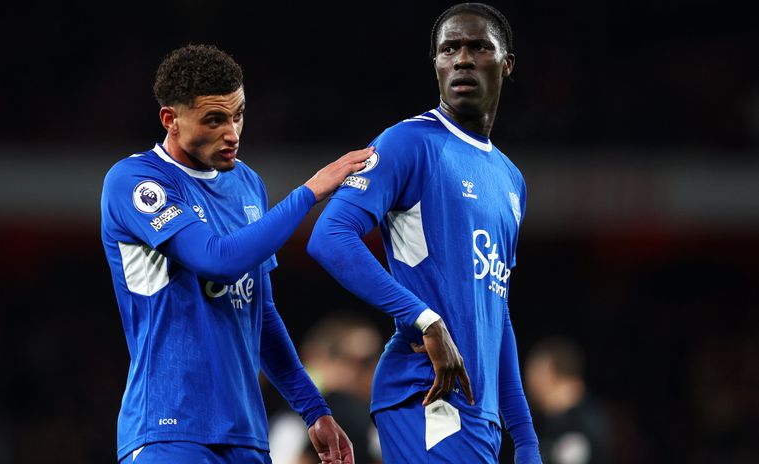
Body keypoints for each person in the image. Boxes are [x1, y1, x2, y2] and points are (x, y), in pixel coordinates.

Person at [100, 44, 372, 464]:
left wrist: (314, 410)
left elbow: (260, 313)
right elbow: (217, 260)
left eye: (238, 114)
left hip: (247, 437)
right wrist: (310, 192)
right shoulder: (136, 181)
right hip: (169, 433)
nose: (232, 133)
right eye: (214, 119)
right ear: (170, 119)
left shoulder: (248, 185)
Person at [307, 3, 541, 463]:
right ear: (435, 63)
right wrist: (424, 318)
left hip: (480, 414)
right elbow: (330, 236)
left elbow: (497, 313)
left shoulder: (511, 180)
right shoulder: (408, 142)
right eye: (449, 49)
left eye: (478, 48)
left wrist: (527, 440)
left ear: (506, 63)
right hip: (427, 394)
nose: (462, 59)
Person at [268, 314, 384, 464]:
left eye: (370, 362)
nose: (365, 373)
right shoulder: (294, 417)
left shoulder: (374, 421)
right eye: (354, 362)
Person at [525, 337, 611, 464]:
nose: (527, 382)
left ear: (548, 372)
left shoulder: (585, 425)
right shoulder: (547, 424)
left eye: (533, 374)